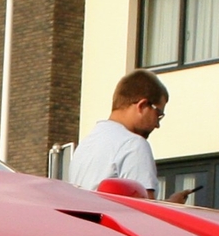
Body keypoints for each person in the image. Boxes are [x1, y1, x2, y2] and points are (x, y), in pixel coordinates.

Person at [67, 70, 191, 202]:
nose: (157, 125)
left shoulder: (85, 146)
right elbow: (144, 214)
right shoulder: (133, 145)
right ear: (142, 105)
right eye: (158, 114)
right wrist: (173, 208)